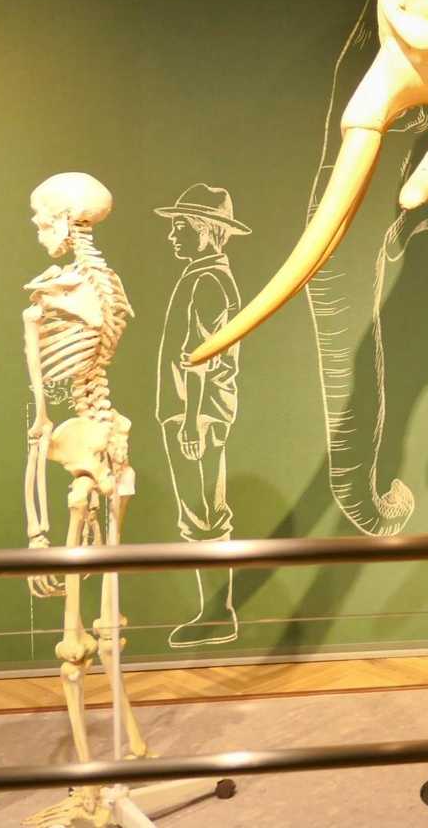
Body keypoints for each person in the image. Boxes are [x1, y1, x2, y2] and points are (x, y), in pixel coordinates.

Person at [154, 184, 250, 648]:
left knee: (204, 513)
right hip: (193, 412)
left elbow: (199, 356)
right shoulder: (202, 276)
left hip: (198, 414)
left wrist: (191, 419)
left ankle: (217, 614)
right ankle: (213, 611)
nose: (172, 235)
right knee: (201, 511)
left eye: (181, 227)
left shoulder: (208, 280)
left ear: (207, 230)